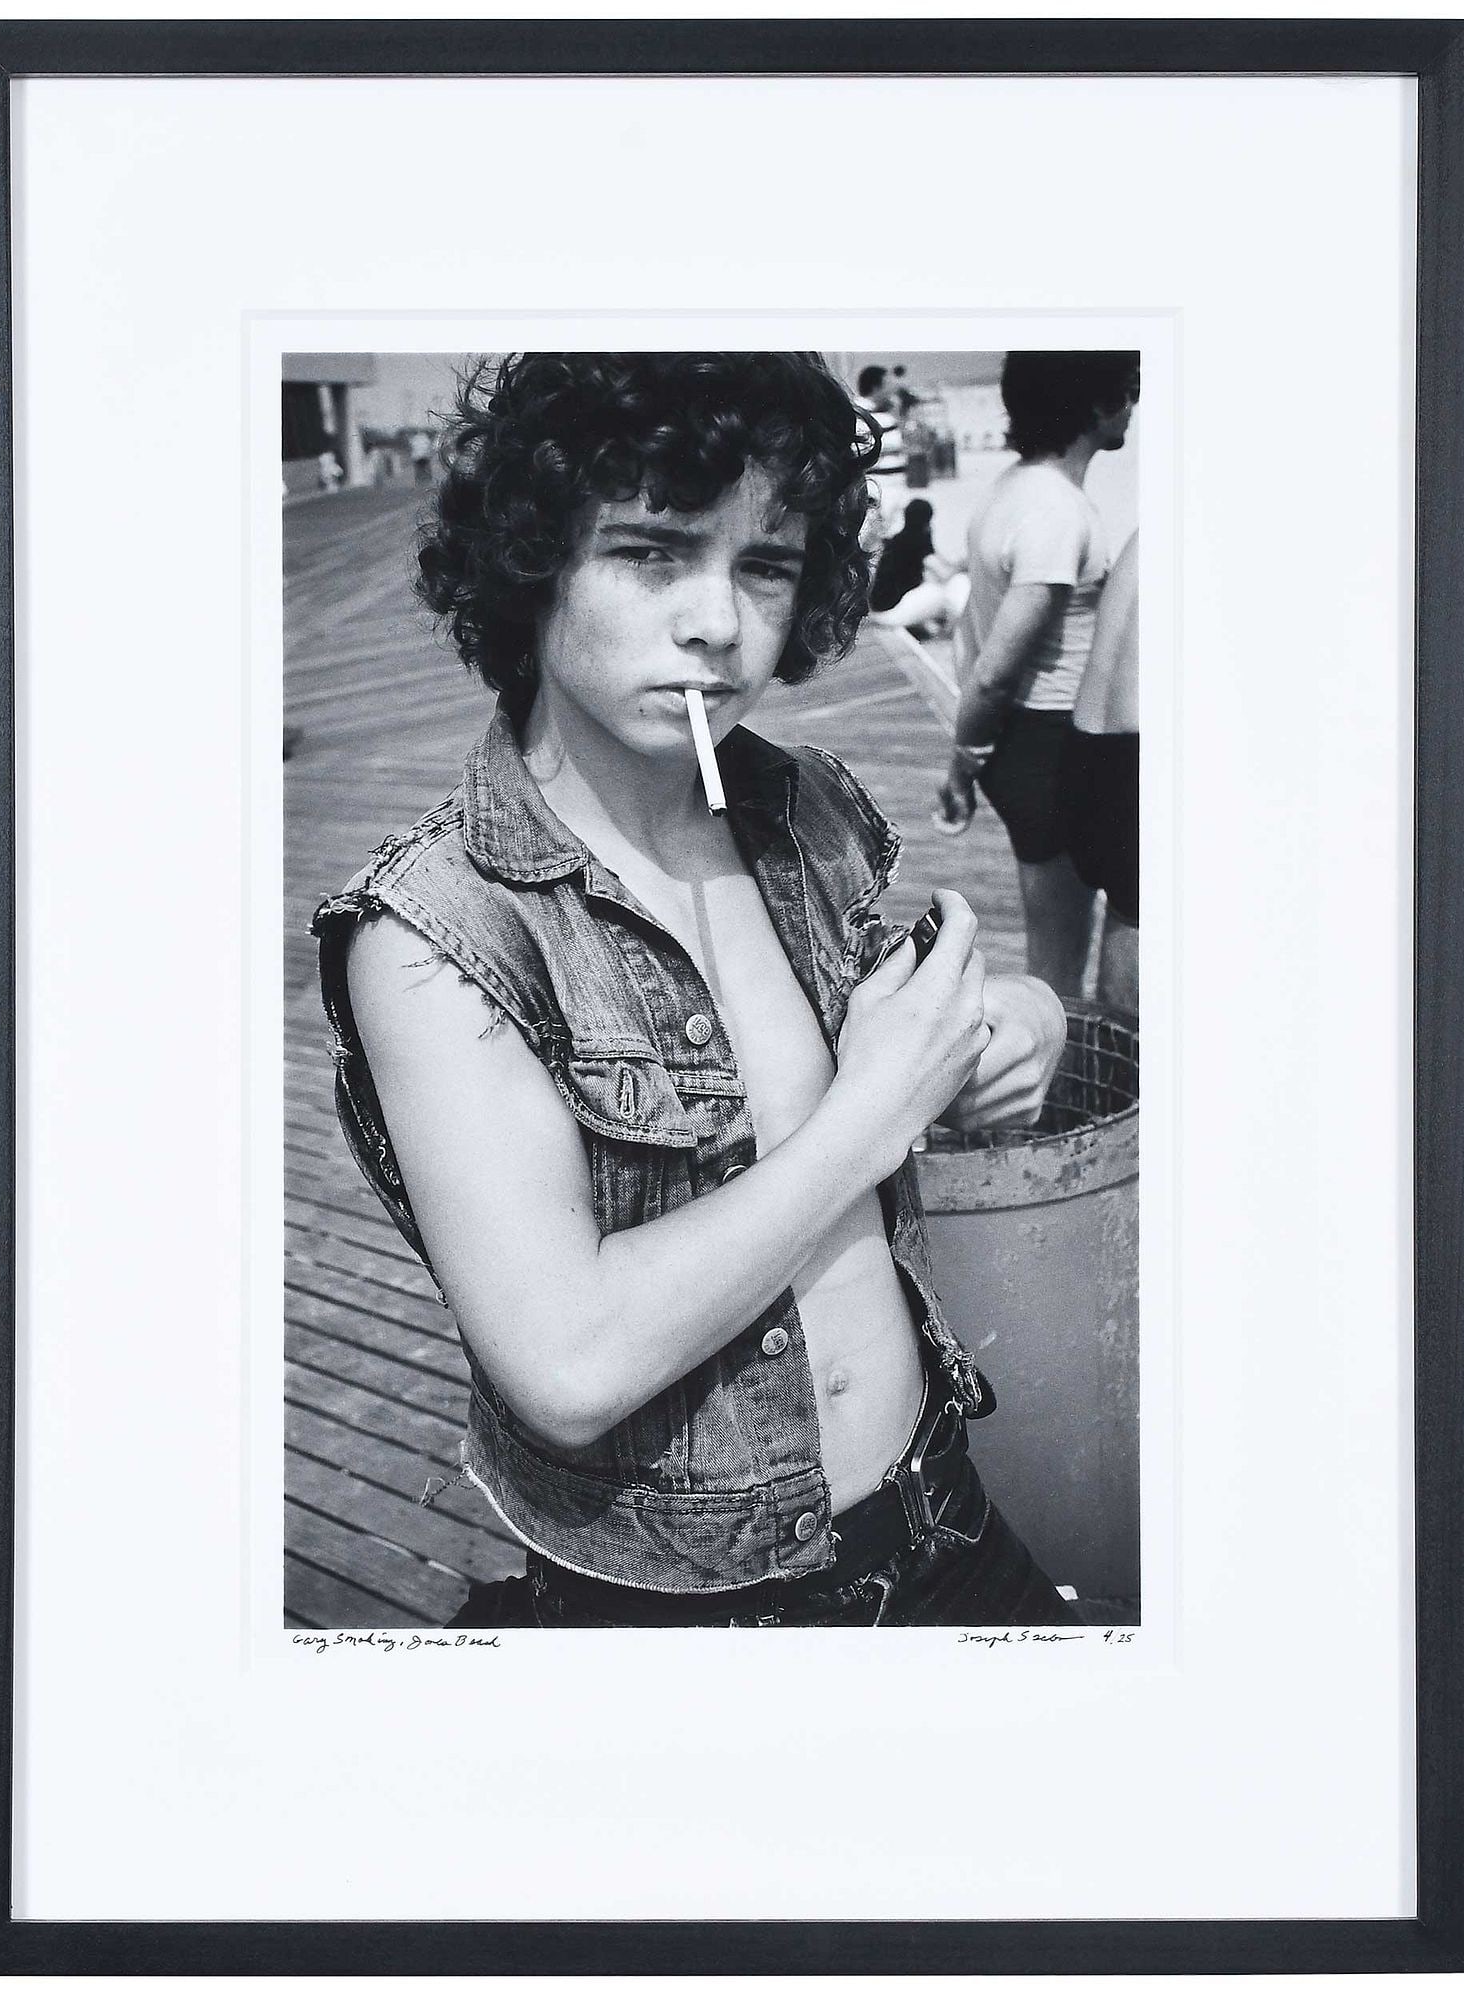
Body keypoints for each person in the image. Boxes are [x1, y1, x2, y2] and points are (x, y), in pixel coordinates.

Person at [314, 352, 1072, 1628]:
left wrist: (1020, 1026)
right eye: (652, 552)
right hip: (695, 1611)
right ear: (534, 561)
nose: (716, 619)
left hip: (939, 1511)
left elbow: (887, 1058)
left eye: (763, 565)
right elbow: (568, 1358)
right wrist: (868, 1116)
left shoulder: (803, 808)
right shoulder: (440, 932)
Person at [935, 350, 1139, 995]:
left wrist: (970, 758)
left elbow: (973, 632)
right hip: (1047, 743)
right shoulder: (1056, 511)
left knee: (1054, 951)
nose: (1133, 408)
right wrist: (963, 759)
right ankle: (1063, 1084)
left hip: (1023, 743)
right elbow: (997, 666)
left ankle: (1060, 1074)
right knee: (1057, 963)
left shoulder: (1012, 489)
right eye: (1127, 393)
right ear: (1098, 406)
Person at [1065, 529, 1139, 1013]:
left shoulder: (1150, 530)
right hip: (1142, 754)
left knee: (1128, 915)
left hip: (1088, 744)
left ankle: (1117, 1080)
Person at [866, 496, 969, 635]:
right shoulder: (917, 540)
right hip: (891, 612)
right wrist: (965, 565)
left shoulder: (898, 539)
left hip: (879, 606)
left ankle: (924, 624)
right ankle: (953, 630)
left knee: (930, 584)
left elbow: (937, 560)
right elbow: (944, 574)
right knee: (945, 589)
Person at [852, 363, 908, 532]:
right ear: (876, 387)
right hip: (879, 491)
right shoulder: (862, 417)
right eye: (888, 384)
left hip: (890, 489)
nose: (893, 389)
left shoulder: (880, 414)